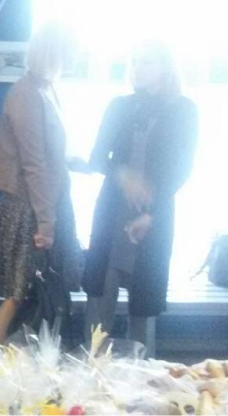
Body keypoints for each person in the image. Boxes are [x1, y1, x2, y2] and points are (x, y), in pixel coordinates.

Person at [75, 40, 197, 356]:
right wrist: (123, 175)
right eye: (135, 62)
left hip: (154, 218)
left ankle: (142, 379)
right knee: (99, 308)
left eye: (147, 62)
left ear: (165, 67)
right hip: (112, 218)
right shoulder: (119, 106)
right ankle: (92, 375)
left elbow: (182, 168)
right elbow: (98, 157)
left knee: (143, 311)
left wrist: (151, 214)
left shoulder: (185, 110)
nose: (138, 69)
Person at [0, 24, 77, 343]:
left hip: (41, 203)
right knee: (18, 293)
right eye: (70, 51)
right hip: (27, 207)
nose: (75, 57)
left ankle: (3, 357)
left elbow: (48, 156)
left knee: (29, 293)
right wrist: (46, 222)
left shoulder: (46, 89)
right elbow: (33, 163)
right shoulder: (26, 93)